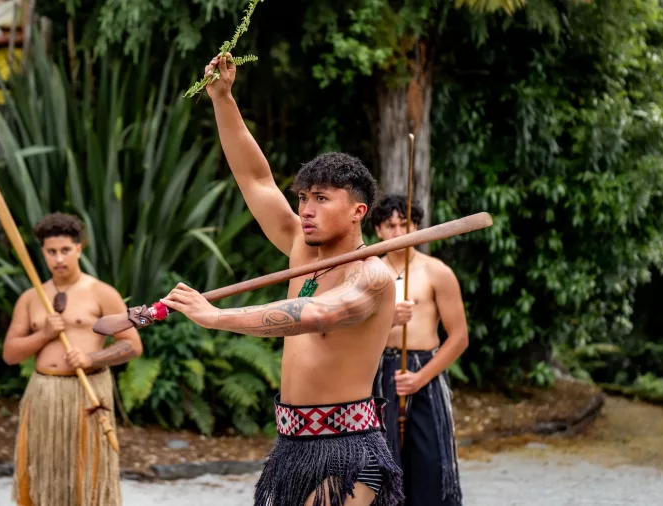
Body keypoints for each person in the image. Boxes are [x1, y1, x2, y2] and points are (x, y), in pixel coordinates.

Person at [159, 54, 404, 506]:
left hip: (347, 449)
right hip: (292, 445)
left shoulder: (373, 275)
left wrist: (216, 317)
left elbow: (315, 314)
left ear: (357, 211)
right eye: (304, 198)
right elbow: (255, 179)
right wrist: (222, 99)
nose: (306, 209)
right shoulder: (299, 246)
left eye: (321, 199)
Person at [2, 212, 143, 506]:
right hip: (43, 394)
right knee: (41, 468)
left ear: (79, 249)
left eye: (65, 250)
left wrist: (92, 357)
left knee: (86, 469)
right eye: (51, 252)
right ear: (43, 253)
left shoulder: (102, 293)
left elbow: (132, 346)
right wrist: (44, 335)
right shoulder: (31, 298)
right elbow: (10, 354)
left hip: (86, 394)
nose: (58, 259)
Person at [370, 195, 469, 506]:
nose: (399, 232)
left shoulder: (436, 272)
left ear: (417, 226)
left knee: (429, 460)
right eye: (391, 225)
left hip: (424, 371)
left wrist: (420, 377)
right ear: (378, 231)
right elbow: (352, 337)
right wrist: (388, 322)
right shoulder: (368, 275)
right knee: (380, 464)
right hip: (380, 370)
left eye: (406, 224)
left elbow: (459, 337)